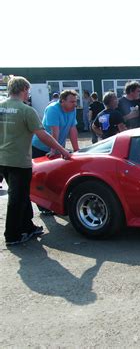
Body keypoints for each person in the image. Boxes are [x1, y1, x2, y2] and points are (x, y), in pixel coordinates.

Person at [0, 76, 71, 246]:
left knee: (23, 195)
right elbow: (42, 135)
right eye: (28, 91)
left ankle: (28, 227)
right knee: (17, 197)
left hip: (3, 159)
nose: (28, 94)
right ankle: (12, 235)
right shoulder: (26, 111)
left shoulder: (1, 107)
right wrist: (62, 150)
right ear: (24, 90)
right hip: (19, 160)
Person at [32, 90, 80, 158]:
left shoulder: (72, 109)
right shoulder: (52, 109)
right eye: (72, 102)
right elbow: (54, 131)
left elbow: (73, 129)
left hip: (57, 148)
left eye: (76, 101)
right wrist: (53, 150)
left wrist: (76, 149)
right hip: (40, 148)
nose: (75, 104)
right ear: (63, 101)